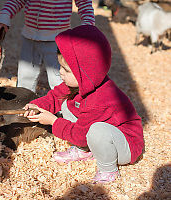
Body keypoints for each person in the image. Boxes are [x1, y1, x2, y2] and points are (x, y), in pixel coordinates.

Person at [23, 25, 144, 183]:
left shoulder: (101, 99)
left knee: (96, 131)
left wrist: (53, 121)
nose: (60, 72)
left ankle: (108, 170)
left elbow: (81, 135)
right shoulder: (81, 83)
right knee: (67, 105)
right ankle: (84, 150)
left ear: (84, 71)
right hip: (99, 133)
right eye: (61, 67)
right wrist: (35, 105)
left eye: (66, 69)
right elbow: (54, 97)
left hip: (125, 145)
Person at [0, 0, 95, 93]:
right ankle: (25, 106)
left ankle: (63, 108)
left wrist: (87, 26)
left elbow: (85, 4)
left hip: (57, 40)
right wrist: (5, 15)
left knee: (59, 80)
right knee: (25, 79)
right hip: (29, 37)